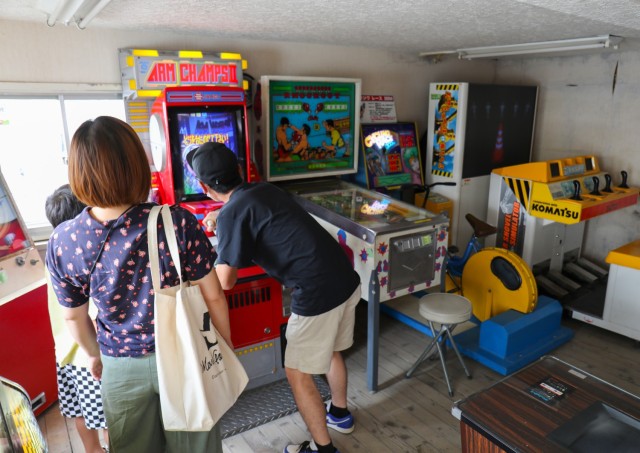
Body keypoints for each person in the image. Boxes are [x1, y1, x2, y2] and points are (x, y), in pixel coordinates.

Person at [45, 116, 231, 453]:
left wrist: (94, 355)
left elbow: (74, 317)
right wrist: (223, 346)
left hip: (119, 364)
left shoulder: (64, 240)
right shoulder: (176, 221)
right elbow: (214, 295)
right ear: (137, 165)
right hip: (185, 355)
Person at [187, 142, 361, 453]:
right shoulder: (264, 190)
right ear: (239, 170)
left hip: (316, 293)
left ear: (203, 186)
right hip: (345, 278)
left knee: (297, 372)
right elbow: (251, 214)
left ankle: (324, 449)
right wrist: (221, 216)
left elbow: (226, 281)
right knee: (331, 349)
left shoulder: (232, 214)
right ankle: (340, 414)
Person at [45, 184, 109, 453]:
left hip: (65, 355)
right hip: (90, 355)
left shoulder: (54, 257)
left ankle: (93, 450)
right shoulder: (81, 259)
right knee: (108, 417)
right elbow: (88, 316)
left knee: (82, 414)